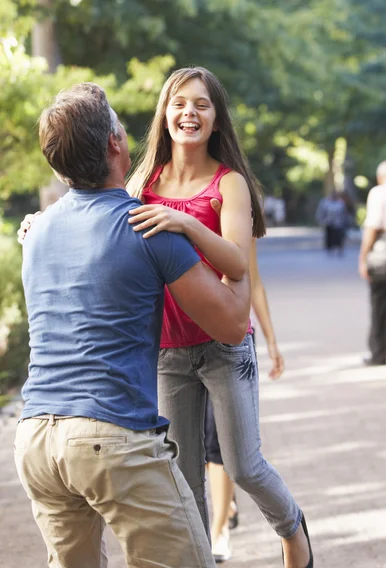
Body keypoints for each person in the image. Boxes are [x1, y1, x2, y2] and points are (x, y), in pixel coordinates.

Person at [15, 82, 253, 568]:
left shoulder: (35, 231)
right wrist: (239, 263)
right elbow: (231, 325)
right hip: (111, 438)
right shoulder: (147, 227)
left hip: (36, 439)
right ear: (114, 145)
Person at [126, 66, 313, 568]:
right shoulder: (142, 182)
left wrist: (185, 221)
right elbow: (106, 233)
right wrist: (44, 223)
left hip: (226, 348)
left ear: (216, 118)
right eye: (180, 102)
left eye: (202, 104)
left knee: (244, 466)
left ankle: (292, 526)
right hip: (168, 350)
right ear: (165, 114)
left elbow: (236, 260)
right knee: (184, 480)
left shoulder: (229, 184)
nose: (190, 112)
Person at [204, 236, 285, 563]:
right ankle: (225, 504)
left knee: (219, 444)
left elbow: (255, 282)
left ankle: (219, 528)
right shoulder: (156, 199)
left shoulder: (235, 209)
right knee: (193, 444)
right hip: (175, 344)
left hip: (227, 342)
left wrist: (271, 341)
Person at [359, 159, 386, 366]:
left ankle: (379, 354)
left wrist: (363, 258)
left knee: (380, 307)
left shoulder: (380, 192)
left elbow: (372, 227)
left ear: (382, 175)